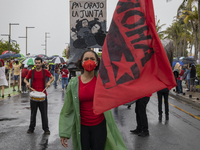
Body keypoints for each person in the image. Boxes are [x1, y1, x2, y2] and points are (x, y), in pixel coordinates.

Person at [59, 50, 126, 150]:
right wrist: (64, 132)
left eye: (92, 59)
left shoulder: (103, 81)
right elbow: (67, 109)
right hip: (82, 128)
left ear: (97, 62)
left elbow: (120, 87)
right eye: (86, 59)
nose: (89, 61)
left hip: (99, 126)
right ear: (81, 62)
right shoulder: (74, 83)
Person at [24, 57, 54, 134]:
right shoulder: (31, 72)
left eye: (38, 63)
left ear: (41, 63)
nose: (37, 64)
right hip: (34, 95)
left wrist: (49, 82)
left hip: (43, 95)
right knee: (33, 113)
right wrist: (27, 83)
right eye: (36, 63)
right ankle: (31, 128)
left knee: (44, 113)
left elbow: (52, 77)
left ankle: (46, 129)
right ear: (35, 63)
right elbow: (25, 79)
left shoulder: (45, 71)